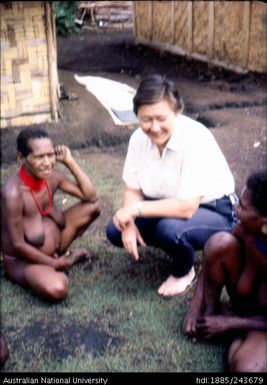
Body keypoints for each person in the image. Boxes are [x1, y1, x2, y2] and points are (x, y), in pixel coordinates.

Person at [106, 74, 237, 297]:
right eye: (146, 119)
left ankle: (184, 271)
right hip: (167, 205)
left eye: (161, 118)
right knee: (115, 229)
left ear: (177, 112)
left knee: (170, 230)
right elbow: (133, 189)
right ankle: (174, 243)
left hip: (215, 211)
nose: (154, 127)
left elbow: (186, 207)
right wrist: (128, 222)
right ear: (137, 115)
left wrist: (134, 210)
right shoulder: (137, 139)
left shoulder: (195, 138)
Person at [182, 170, 267, 372]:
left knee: (246, 370)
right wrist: (194, 310)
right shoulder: (245, 231)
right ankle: (211, 316)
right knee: (219, 242)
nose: (236, 209)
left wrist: (229, 323)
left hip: (262, 322)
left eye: (243, 207)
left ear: (264, 220)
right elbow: (212, 258)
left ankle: (235, 333)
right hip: (244, 308)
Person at [2, 128, 100, 301]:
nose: (47, 163)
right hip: (23, 261)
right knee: (58, 288)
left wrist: (69, 162)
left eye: (50, 154)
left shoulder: (52, 177)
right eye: (39, 157)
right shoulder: (13, 193)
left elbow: (91, 197)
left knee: (92, 207)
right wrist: (56, 263)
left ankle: (60, 257)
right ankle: (63, 261)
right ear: (21, 159)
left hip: (55, 248)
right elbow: (17, 245)